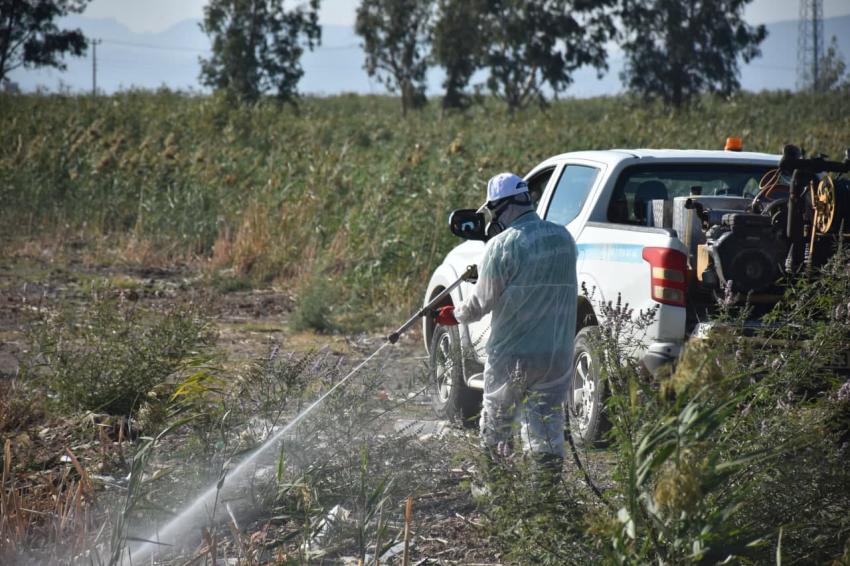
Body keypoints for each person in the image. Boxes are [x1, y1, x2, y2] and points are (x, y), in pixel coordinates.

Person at [434, 172, 578, 488]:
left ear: (503, 206)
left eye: (494, 211)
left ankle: (498, 494)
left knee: (497, 422)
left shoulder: (502, 245)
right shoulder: (564, 238)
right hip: (556, 351)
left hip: (513, 353)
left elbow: (480, 304)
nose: (493, 218)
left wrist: (455, 314)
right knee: (547, 423)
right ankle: (546, 499)